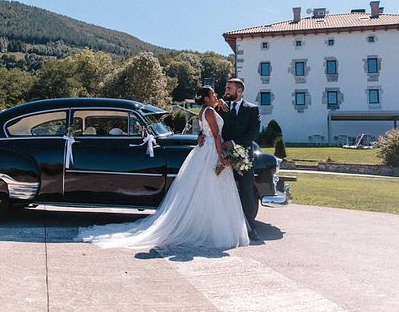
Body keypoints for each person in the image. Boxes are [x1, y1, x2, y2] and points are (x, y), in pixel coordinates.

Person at [74, 86, 249, 249]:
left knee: (204, 190)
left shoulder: (203, 111)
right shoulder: (209, 111)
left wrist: (213, 113)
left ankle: (205, 225)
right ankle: (210, 228)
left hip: (203, 151)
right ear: (206, 99)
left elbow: (205, 131)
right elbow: (216, 136)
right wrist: (221, 156)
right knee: (211, 190)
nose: (217, 95)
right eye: (213, 94)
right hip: (212, 152)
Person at [214, 77, 261, 241]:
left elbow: (254, 132)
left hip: (244, 159)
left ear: (239, 91)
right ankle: (222, 228)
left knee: (247, 192)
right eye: (226, 88)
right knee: (217, 189)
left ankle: (249, 228)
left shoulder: (252, 109)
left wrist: (233, 143)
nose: (225, 91)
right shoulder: (220, 108)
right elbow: (212, 126)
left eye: (229, 88)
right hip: (222, 159)